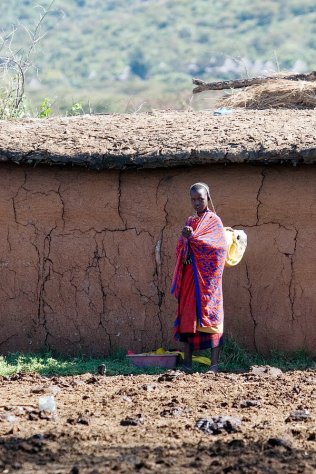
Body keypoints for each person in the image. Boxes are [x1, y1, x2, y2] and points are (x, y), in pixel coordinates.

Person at [171, 182, 227, 373]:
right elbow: (181, 250)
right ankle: (187, 364)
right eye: (193, 199)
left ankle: (214, 365)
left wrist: (195, 239)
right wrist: (185, 240)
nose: (196, 203)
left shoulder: (214, 221)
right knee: (188, 317)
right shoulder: (190, 221)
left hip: (207, 281)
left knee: (212, 317)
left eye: (200, 199)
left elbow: (219, 248)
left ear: (207, 198)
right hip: (190, 277)